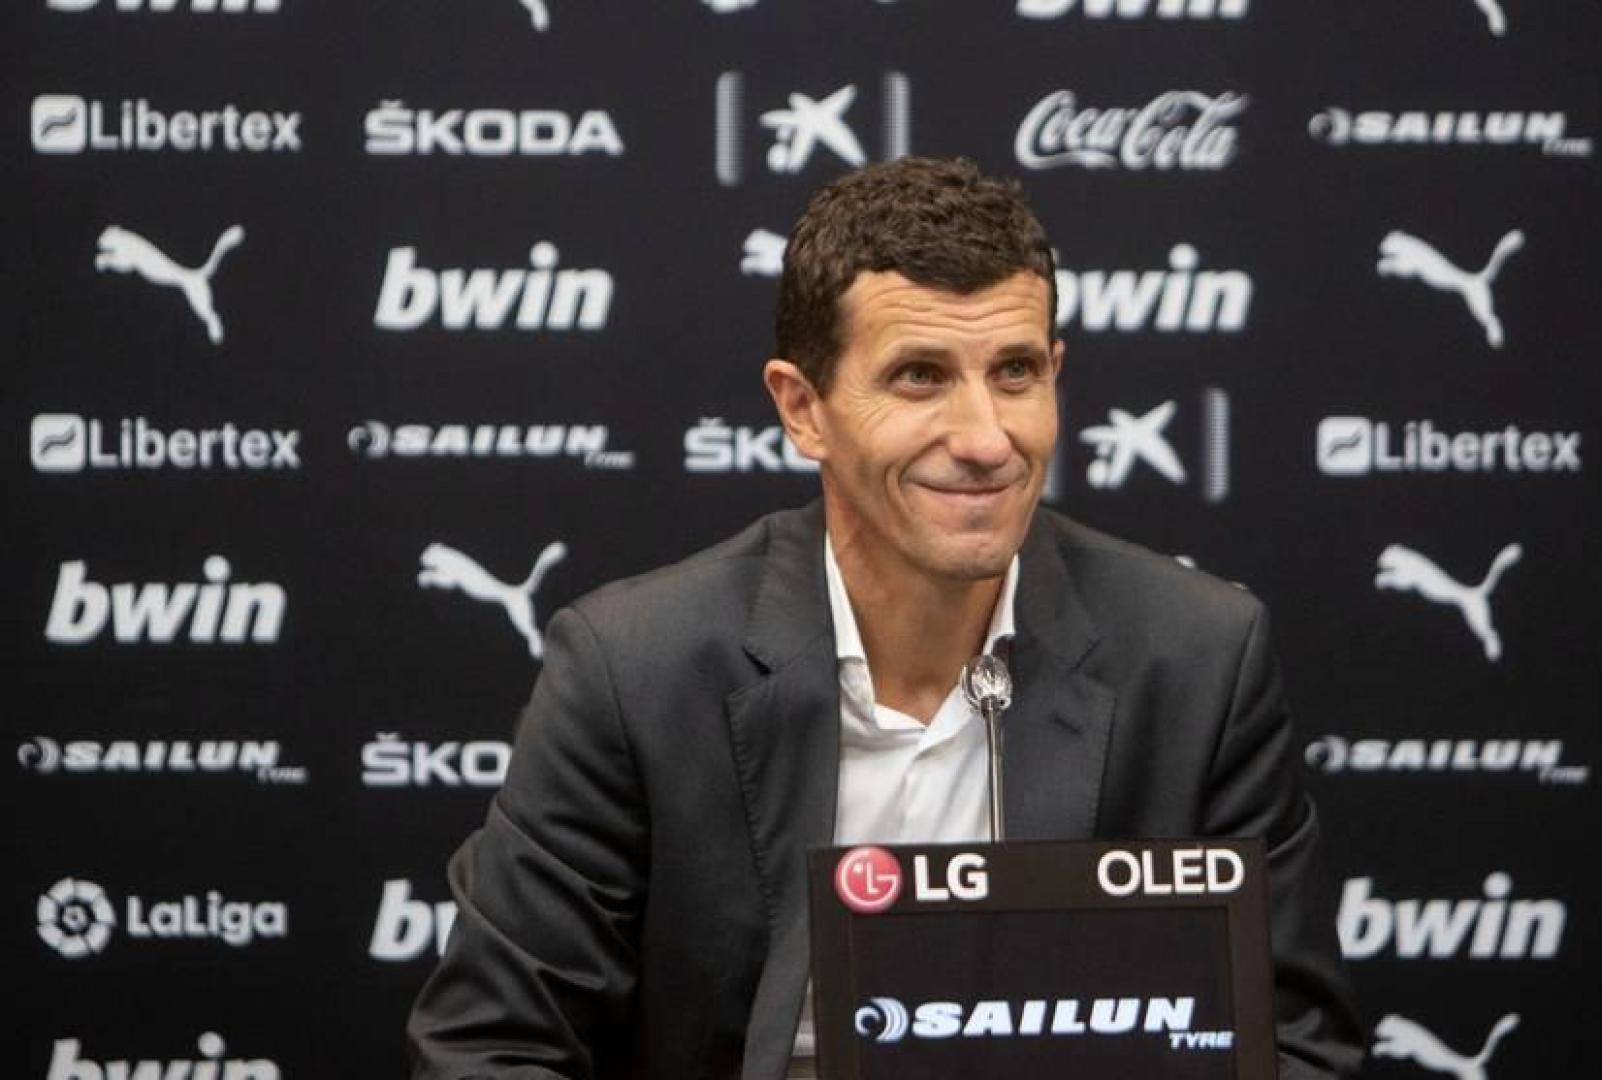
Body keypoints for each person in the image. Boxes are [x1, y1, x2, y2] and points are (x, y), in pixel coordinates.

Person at [408, 156, 1363, 1080]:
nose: (987, 439)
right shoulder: (632, 669)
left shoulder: (1199, 658)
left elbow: (1293, 1049)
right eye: (920, 376)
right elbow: (493, 1046)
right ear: (803, 407)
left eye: (1017, 372)